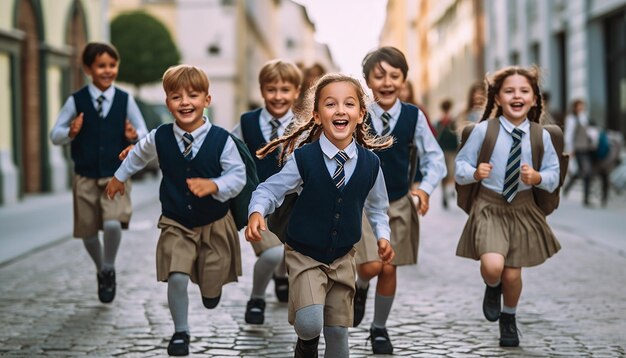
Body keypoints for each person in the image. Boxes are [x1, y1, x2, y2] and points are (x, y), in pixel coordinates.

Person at [245, 73, 395, 358]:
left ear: (361, 114)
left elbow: (377, 207)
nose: (340, 110)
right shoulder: (304, 159)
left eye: (349, 104)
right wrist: (256, 212)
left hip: (344, 257)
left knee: (338, 334)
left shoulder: (371, 164)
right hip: (304, 255)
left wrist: (383, 237)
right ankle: (306, 343)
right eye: (330, 104)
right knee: (310, 322)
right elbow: (269, 190)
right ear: (316, 115)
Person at [105, 64, 245, 356]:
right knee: (177, 276)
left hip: (214, 222)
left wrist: (215, 186)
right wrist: (119, 177)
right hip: (176, 221)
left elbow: (237, 177)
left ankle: (211, 289)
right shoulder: (160, 136)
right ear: (167, 102)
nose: (185, 102)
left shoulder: (222, 141)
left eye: (193, 95)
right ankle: (181, 332)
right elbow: (139, 154)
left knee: (210, 285)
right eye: (176, 96)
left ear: (207, 100)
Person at [455, 66, 561, 347]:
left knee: (513, 274)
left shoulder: (541, 136)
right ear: (498, 98)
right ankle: (492, 286)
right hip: (489, 206)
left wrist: (538, 177)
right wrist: (475, 172)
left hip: (523, 208)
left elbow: (554, 175)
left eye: (524, 91)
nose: (517, 96)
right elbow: (459, 167)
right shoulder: (483, 131)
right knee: (493, 266)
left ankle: (509, 318)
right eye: (509, 91)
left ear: (534, 99)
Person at [353, 46, 446, 355]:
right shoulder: (356, 112)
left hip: (398, 203)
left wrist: (424, 189)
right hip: (362, 205)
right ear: (367, 80)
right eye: (379, 76)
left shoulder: (413, 115)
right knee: (369, 268)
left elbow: (435, 159)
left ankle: (379, 329)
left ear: (404, 79)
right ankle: (360, 286)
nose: (387, 82)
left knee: (389, 268)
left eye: (394, 75)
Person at [49, 42, 148, 304]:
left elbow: (145, 134)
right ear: (88, 69)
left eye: (112, 65)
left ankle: (109, 267)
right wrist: (70, 132)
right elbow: (54, 135)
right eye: (101, 65)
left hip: (116, 176)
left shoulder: (125, 100)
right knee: (88, 232)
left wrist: (134, 136)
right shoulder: (76, 101)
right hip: (84, 176)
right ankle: (101, 267)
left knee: (113, 223)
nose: (108, 71)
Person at [232, 59, 302, 324]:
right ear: (262, 90)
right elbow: (230, 147)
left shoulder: (302, 125)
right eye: (271, 89)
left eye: (285, 89)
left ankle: (282, 278)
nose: (278, 96)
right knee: (272, 252)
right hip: (257, 203)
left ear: (296, 92)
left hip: (293, 202)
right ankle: (257, 297)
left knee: (289, 249)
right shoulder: (248, 122)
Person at [563, 99, 595, 206]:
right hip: (578, 149)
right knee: (587, 171)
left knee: (582, 171)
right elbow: (569, 135)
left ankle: (570, 188)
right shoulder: (571, 119)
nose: (581, 108)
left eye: (582, 106)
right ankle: (586, 198)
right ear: (575, 107)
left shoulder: (585, 117)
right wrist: (570, 150)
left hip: (587, 149)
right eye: (579, 106)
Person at [435, 99, 458, 209]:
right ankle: (446, 194)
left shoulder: (446, 121)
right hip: (447, 150)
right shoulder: (443, 121)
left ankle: (449, 192)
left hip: (447, 150)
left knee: (449, 173)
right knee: (447, 173)